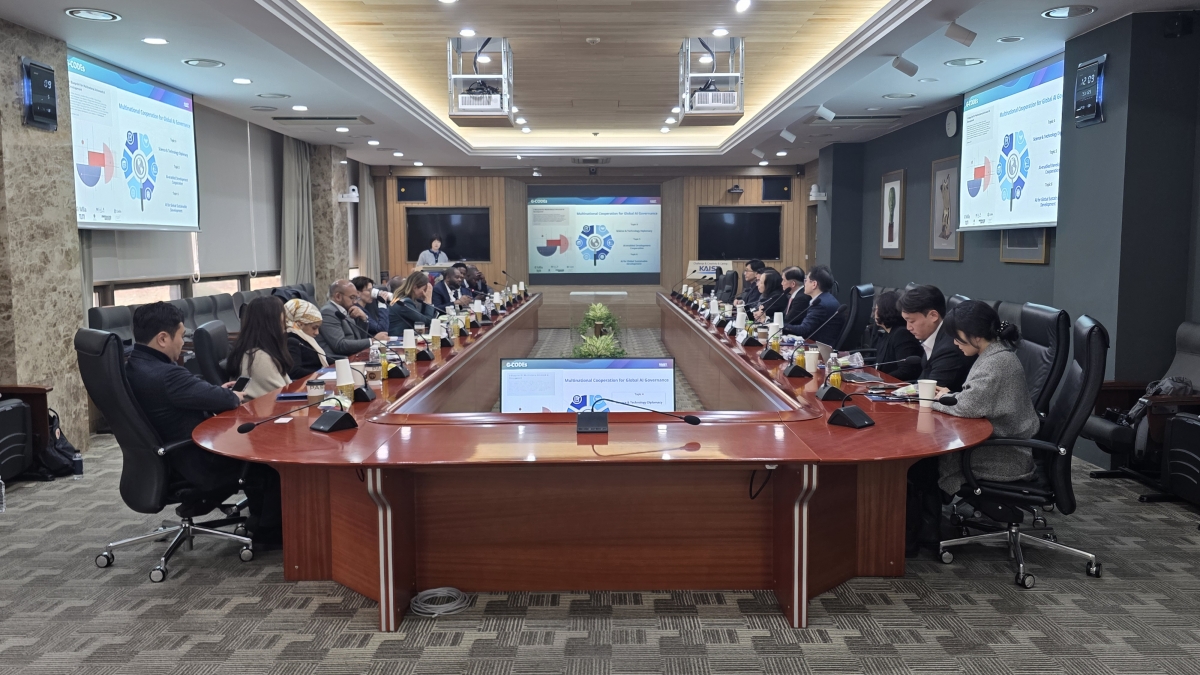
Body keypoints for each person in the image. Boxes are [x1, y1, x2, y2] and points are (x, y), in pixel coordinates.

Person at [125, 302, 281, 545]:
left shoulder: (135, 365)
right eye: (181, 335)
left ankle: (259, 521)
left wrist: (210, 391)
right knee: (270, 462)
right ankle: (268, 534)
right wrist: (228, 395)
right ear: (163, 338)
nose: (182, 342)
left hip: (166, 458)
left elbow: (184, 393)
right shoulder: (168, 375)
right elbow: (228, 400)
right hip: (197, 461)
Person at [906, 300, 1040, 556]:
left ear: (976, 336)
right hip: (997, 444)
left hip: (1002, 456)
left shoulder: (996, 363)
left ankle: (922, 535)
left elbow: (968, 408)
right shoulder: (994, 354)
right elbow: (975, 399)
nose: (955, 343)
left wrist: (929, 401)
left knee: (922, 464)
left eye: (958, 338)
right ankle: (922, 530)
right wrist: (950, 395)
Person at [898, 285, 975, 391]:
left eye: (912, 321)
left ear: (933, 316)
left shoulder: (949, 348)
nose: (908, 327)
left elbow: (929, 393)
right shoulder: (935, 337)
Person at [227, 296, 293, 400]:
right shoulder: (258, 358)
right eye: (283, 321)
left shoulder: (259, 352)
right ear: (273, 322)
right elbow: (283, 397)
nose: (286, 325)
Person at [319, 279, 388, 358]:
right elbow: (339, 345)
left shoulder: (347, 308)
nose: (355, 302)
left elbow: (359, 339)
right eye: (352, 297)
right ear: (338, 296)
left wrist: (363, 319)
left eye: (356, 298)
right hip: (341, 360)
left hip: (354, 356)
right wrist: (372, 341)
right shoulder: (328, 312)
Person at [783, 265, 843, 346]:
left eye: (806, 281)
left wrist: (780, 326)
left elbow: (803, 330)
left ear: (814, 284)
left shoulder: (820, 305)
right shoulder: (827, 298)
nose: (804, 284)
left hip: (820, 348)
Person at [871, 291, 923, 381]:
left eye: (876, 309)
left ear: (886, 310)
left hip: (895, 385)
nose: (874, 314)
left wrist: (879, 380)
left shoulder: (902, 334)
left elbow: (906, 371)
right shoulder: (886, 333)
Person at [284, 298, 329, 379]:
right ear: (300, 324)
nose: (317, 333)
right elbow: (295, 372)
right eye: (314, 328)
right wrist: (321, 373)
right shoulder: (291, 341)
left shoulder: (305, 338)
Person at [389, 271, 439, 335]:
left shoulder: (401, 298)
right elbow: (426, 321)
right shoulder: (404, 303)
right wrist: (429, 299)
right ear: (415, 288)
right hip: (398, 339)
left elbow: (422, 317)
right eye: (424, 290)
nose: (425, 293)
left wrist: (425, 301)